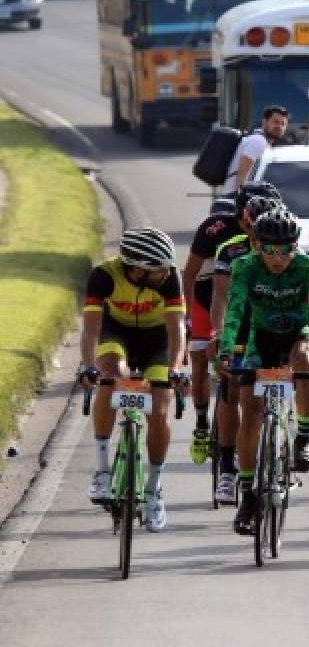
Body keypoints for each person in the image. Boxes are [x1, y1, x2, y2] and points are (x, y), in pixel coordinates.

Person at [220, 208, 309, 535]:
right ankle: (249, 493)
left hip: (299, 332)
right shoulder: (244, 267)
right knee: (250, 409)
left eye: (286, 250)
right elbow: (235, 311)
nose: (278, 258)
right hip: (262, 338)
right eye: (270, 249)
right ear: (257, 245)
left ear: (296, 247)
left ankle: (305, 435)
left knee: (305, 358)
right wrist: (226, 349)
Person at [79, 228, 186, 532]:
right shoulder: (104, 275)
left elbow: (178, 329)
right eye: (159, 270)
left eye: (168, 268)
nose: (166, 274)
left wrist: (176, 368)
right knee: (109, 377)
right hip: (117, 334)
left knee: (160, 406)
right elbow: (90, 330)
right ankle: (101, 472)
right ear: (137, 269)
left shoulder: (170, 278)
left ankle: (153, 490)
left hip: (158, 340)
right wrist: (89, 366)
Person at [182, 181, 280, 469]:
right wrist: (188, 318)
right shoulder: (215, 229)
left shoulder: (276, 230)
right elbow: (190, 274)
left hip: (256, 303)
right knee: (201, 359)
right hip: (208, 295)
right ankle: (201, 424)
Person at [205, 194, 280, 502]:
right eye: (252, 228)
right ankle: (226, 467)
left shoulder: (286, 247)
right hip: (239, 320)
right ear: (245, 225)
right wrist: (221, 333)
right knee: (232, 387)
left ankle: (280, 449)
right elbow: (221, 297)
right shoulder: (232, 250)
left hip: (274, 323)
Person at [222, 105, 289, 194]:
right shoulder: (258, 141)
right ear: (264, 122)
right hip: (233, 199)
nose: (279, 127)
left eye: (283, 124)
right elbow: (242, 177)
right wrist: (241, 202)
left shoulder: (261, 142)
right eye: (276, 122)